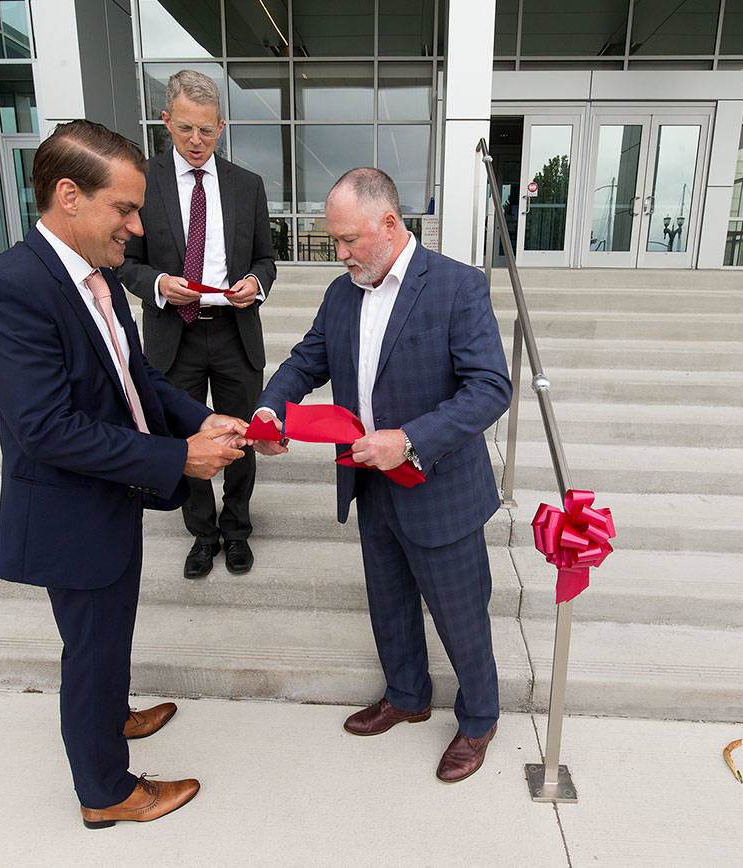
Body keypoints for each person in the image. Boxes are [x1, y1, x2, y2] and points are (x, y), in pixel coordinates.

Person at [0, 119, 252, 828]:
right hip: (69, 509)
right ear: (68, 195)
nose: (136, 226)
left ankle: (109, 717)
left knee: (108, 633)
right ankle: (105, 792)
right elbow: (47, 429)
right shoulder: (10, 288)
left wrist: (198, 420)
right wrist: (178, 459)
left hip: (111, 493)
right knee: (91, 648)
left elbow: (138, 377)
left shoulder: (95, 277)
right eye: (124, 208)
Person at [254, 168, 512, 783]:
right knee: (389, 602)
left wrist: (411, 441)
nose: (339, 255)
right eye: (334, 242)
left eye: (348, 241)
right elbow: (306, 359)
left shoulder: (456, 286)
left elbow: (490, 389)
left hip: (438, 487)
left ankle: (479, 719)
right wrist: (270, 407)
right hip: (369, 482)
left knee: (460, 613)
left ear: (389, 224)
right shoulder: (344, 292)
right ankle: (407, 695)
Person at [117, 69, 277, 581]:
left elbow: (266, 259)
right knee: (185, 439)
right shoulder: (143, 182)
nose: (195, 141)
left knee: (241, 437)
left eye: (206, 131)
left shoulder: (247, 186)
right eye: (185, 128)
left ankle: (237, 530)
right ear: (166, 121)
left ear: (221, 127)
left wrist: (255, 281)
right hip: (173, 334)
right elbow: (124, 261)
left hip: (233, 331)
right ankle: (202, 535)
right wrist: (160, 284)